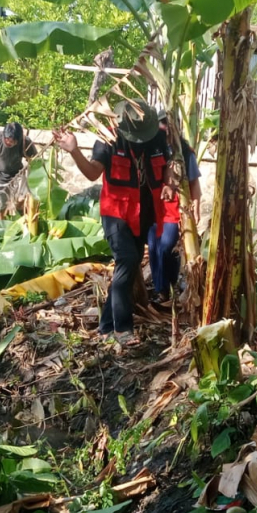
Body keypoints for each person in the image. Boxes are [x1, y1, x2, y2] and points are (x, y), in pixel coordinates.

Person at [54, 100, 177, 338]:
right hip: (116, 214)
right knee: (128, 260)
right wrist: (74, 150)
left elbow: (171, 162)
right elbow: (92, 173)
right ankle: (123, 329)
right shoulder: (108, 138)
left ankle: (106, 326)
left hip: (146, 214)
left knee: (128, 269)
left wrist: (170, 183)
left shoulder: (158, 136)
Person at [148, 111, 202, 303]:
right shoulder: (151, 145)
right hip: (154, 207)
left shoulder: (184, 150)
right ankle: (160, 287)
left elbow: (194, 183)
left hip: (175, 208)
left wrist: (196, 206)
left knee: (167, 246)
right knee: (154, 247)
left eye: (166, 124)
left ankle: (167, 286)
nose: (163, 128)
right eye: (161, 124)